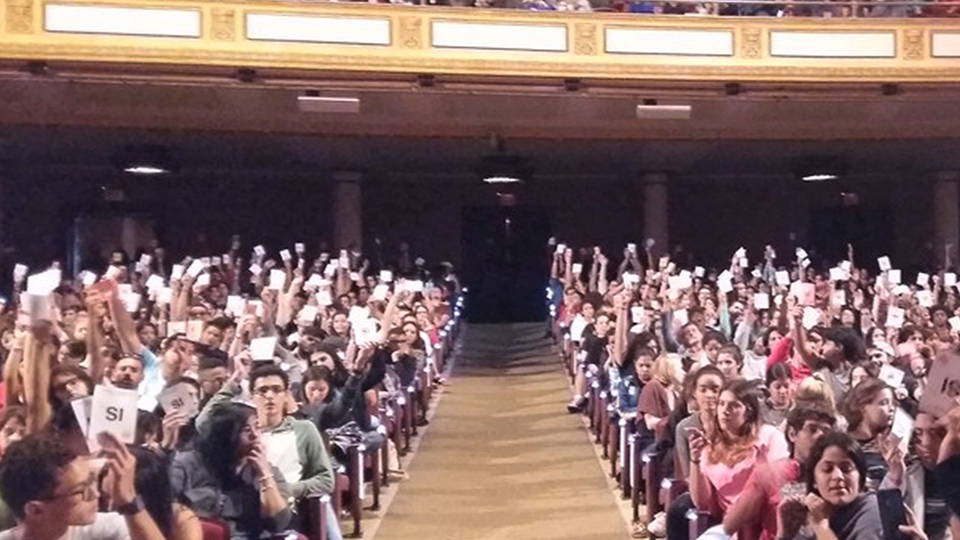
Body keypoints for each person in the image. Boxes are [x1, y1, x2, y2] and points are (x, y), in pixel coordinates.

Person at [0, 431, 165, 540]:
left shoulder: (106, 530)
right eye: (82, 490)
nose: (96, 494)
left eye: (92, 481)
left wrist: (130, 503)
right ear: (36, 510)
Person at [170, 402, 292, 540]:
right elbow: (165, 504)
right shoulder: (187, 464)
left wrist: (264, 475)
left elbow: (279, 523)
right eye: (246, 430)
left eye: (257, 427)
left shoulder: (268, 471)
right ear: (225, 435)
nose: (255, 435)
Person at [688, 379, 789, 538]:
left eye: (733, 405)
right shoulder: (709, 450)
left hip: (768, 520)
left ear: (748, 411)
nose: (725, 411)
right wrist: (695, 459)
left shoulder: (769, 436)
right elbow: (702, 503)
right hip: (733, 526)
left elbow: (779, 484)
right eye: (721, 404)